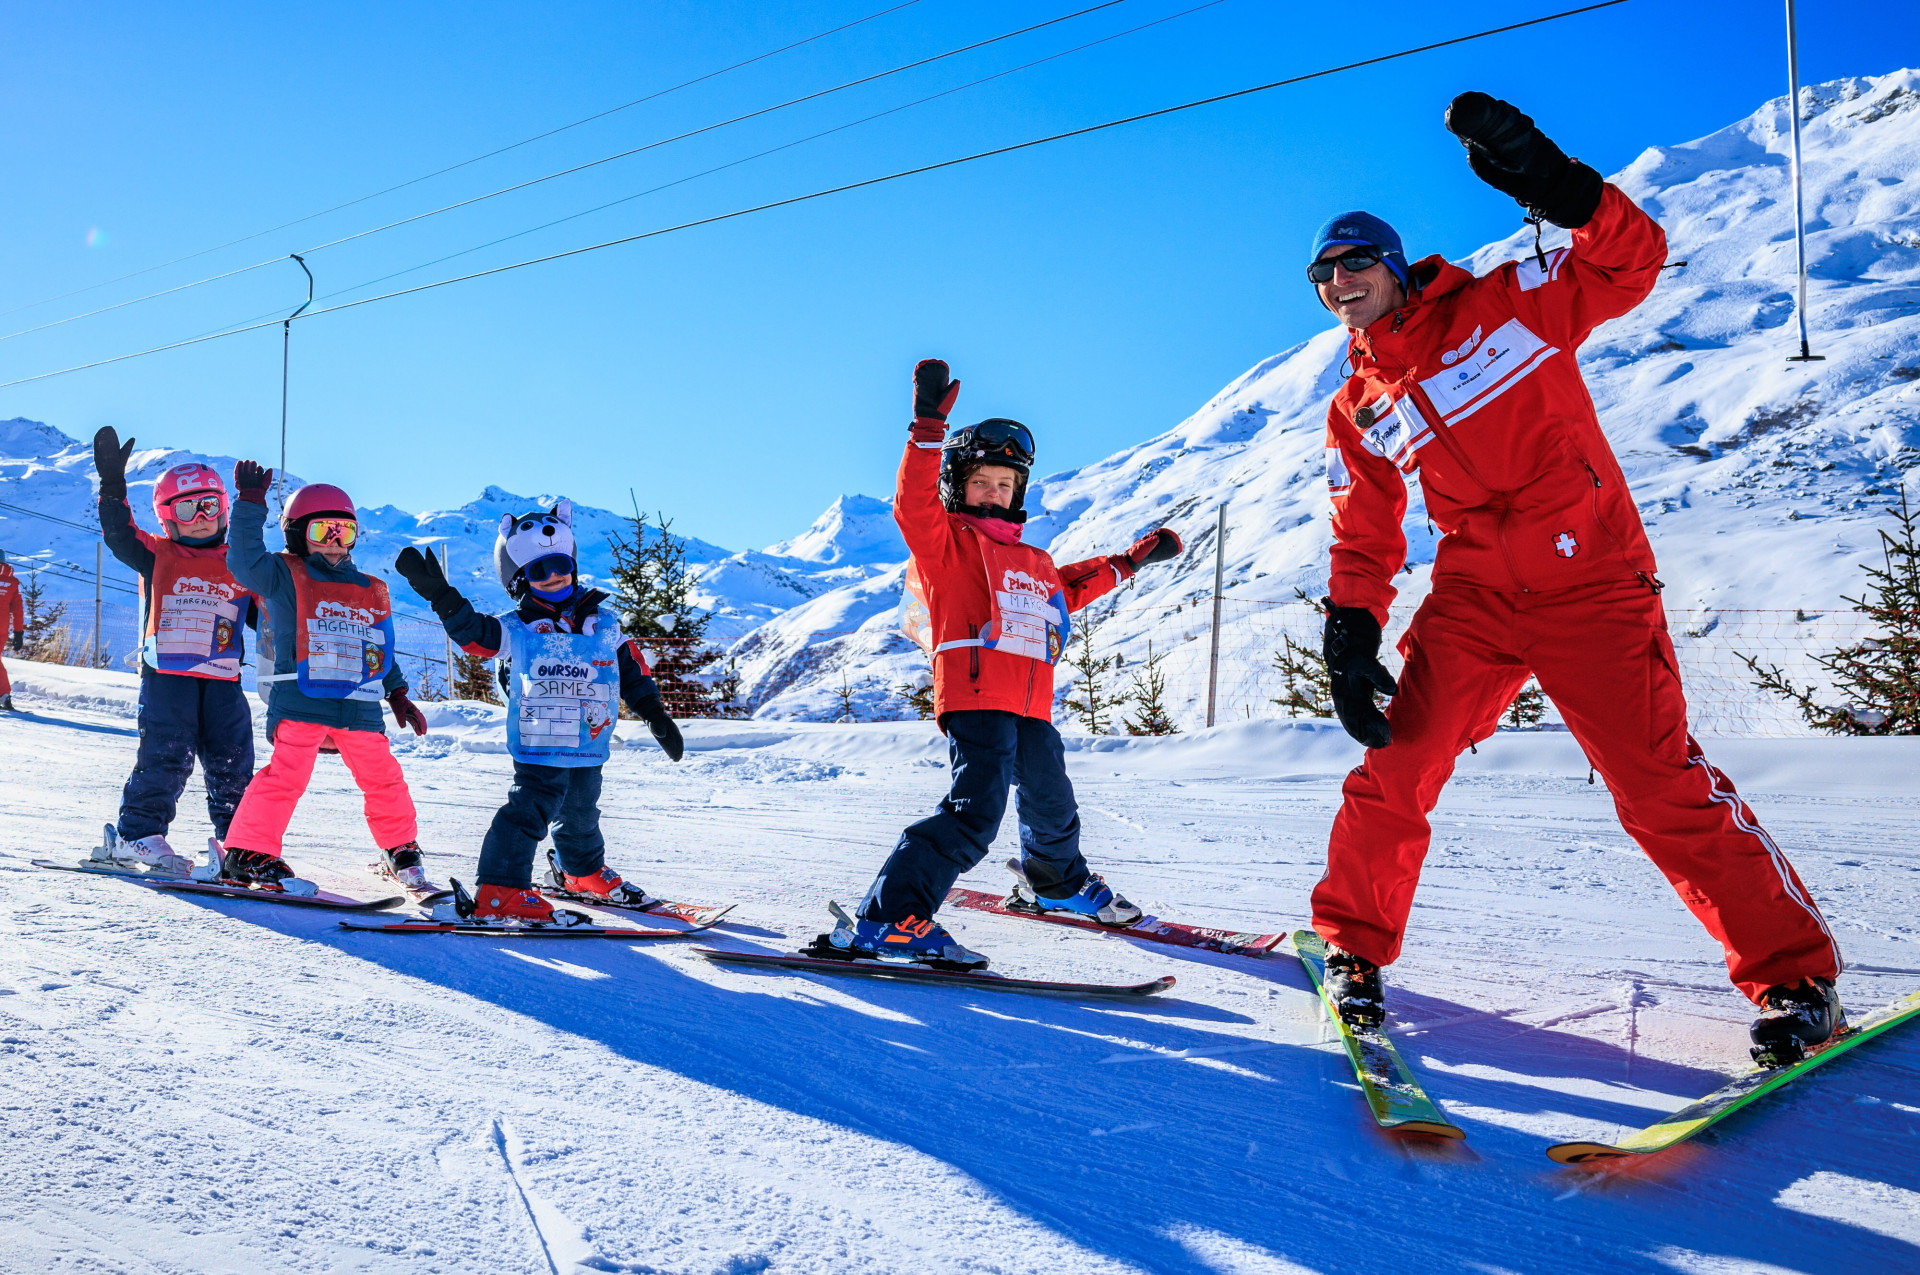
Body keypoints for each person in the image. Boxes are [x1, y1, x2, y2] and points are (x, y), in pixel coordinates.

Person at [1307, 91, 1842, 1063]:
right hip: (1474, 600)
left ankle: (1794, 974)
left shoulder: (1507, 305)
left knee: (1658, 786)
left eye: (1354, 262)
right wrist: (1350, 628)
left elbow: (1631, 264)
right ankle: (1350, 948)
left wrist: (1564, 191)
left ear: (1392, 268)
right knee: (1397, 765)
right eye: (1322, 273)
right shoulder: (1359, 405)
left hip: (1590, 578)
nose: (1338, 281)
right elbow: (1367, 527)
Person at [831, 359, 1184, 968]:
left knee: (1052, 800)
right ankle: (888, 921)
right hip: (975, 700)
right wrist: (926, 433)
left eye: (1005, 485)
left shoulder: (1034, 560)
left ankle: (1056, 884)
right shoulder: (946, 545)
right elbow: (911, 507)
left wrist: (1130, 562)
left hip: (1029, 704)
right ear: (956, 489)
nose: (994, 494)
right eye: (981, 483)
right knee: (975, 813)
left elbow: (1069, 590)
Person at [391, 499, 686, 925]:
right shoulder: (518, 628)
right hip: (541, 735)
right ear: (518, 581)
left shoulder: (604, 624)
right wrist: (443, 597)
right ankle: (501, 889)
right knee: (531, 807)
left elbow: (632, 672)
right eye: (538, 570)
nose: (554, 576)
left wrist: (655, 715)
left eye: (560, 564)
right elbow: (477, 637)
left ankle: (580, 871)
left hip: (588, 736)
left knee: (583, 808)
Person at [213, 460, 430, 895]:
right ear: (296, 534)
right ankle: (247, 852)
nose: (334, 544)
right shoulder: (282, 574)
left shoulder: (368, 586)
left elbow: (379, 644)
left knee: (383, 776)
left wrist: (398, 692)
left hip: (359, 703)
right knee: (287, 775)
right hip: (301, 699)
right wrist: (251, 504)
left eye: (343, 533)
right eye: (321, 532)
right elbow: (241, 561)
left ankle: (401, 848)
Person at [87, 431, 259, 872]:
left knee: (234, 760)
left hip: (223, 680)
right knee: (167, 751)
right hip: (168, 677)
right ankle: (137, 834)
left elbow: (273, 611)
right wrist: (112, 488)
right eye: (187, 508)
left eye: (209, 506)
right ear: (168, 518)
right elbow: (120, 536)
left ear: (223, 509)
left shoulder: (240, 565)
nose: (200, 517)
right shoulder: (159, 554)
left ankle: (238, 844)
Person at [0, 550, 22, 712]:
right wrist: (18, 633)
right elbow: (18, 610)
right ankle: (4, 695)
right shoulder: (13, 582)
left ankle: (4, 694)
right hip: (2, 627)